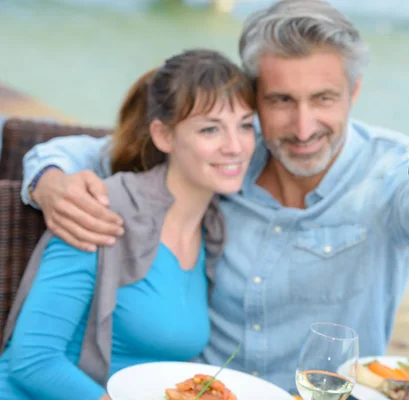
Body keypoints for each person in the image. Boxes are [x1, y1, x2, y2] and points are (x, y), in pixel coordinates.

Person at [20, 0, 409, 391]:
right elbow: (91, 150)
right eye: (281, 101)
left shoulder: (387, 172)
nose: (304, 126)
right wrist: (49, 180)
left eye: (323, 99)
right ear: (256, 98)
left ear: (353, 93)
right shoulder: (232, 154)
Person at [0, 49, 256, 399]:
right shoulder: (102, 209)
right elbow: (32, 361)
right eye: (210, 129)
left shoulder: (212, 230)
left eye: (245, 125)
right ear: (164, 136)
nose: (236, 146)